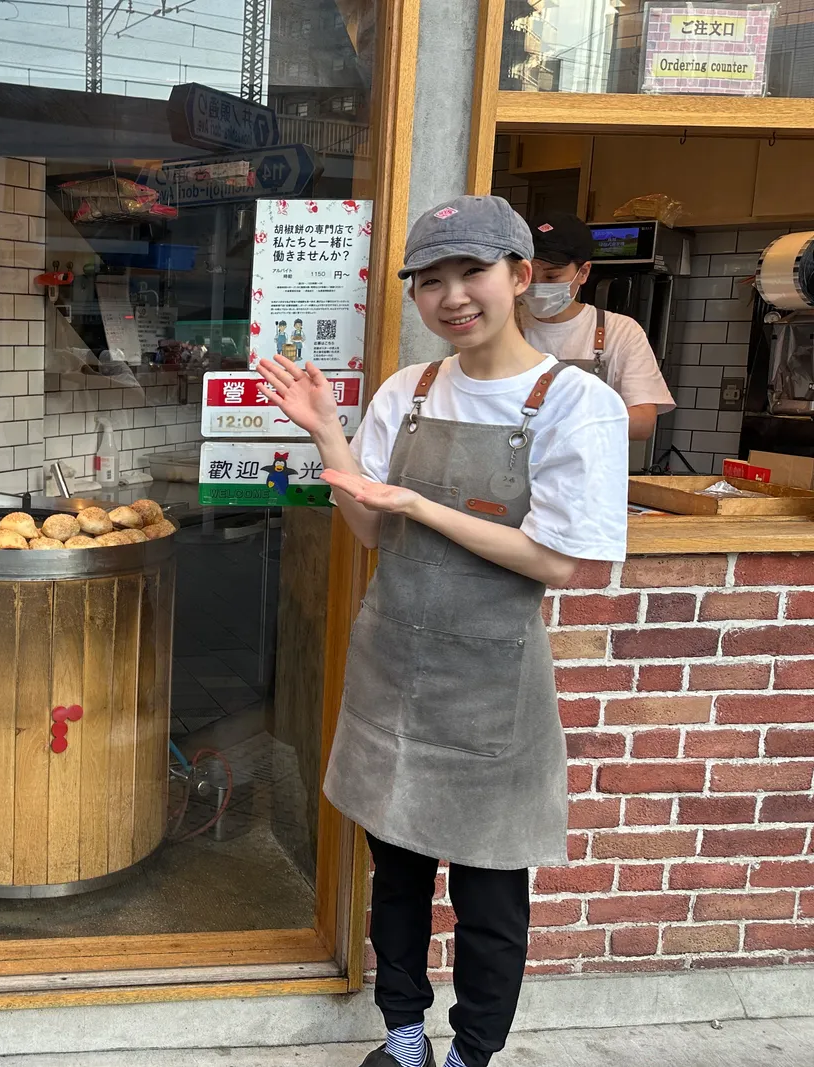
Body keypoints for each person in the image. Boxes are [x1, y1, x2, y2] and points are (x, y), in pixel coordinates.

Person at [256, 196, 628, 1067]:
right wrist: (327, 440)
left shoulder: (575, 403)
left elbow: (565, 563)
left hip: (493, 686)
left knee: (492, 893)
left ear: (520, 276)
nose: (453, 296)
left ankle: (471, 1054)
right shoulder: (409, 391)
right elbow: (373, 530)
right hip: (394, 667)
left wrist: (423, 503)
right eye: (431, 281)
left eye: (473, 272)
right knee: (399, 878)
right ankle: (405, 1034)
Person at [518, 211, 674, 441]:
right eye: (531, 277)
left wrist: (568, 421)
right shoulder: (504, 325)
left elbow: (643, 423)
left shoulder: (621, 332)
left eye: (552, 277)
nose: (539, 286)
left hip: (587, 471)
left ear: (583, 273)